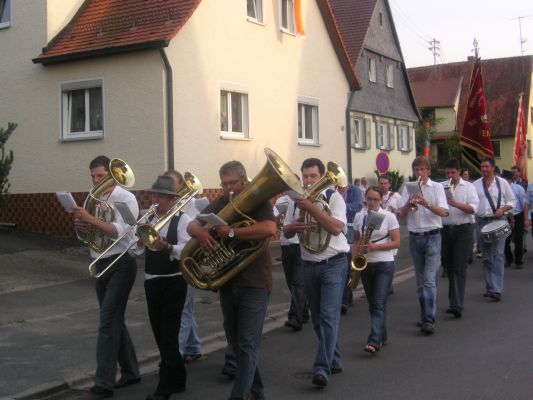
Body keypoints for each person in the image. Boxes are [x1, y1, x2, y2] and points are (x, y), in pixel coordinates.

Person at [187, 161, 276, 400]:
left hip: (255, 281)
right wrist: (202, 232)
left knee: (247, 344)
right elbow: (192, 224)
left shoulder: (259, 200)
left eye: (232, 183)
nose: (229, 188)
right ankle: (256, 391)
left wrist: (234, 232)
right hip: (228, 281)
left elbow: (269, 229)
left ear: (244, 180)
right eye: (224, 184)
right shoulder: (222, 201)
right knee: (236, 343)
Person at [73, 155, 140, 398]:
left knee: (108, 322)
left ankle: (103, 383)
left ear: (112, 176)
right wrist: (82, 228)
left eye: (100, 176)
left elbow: (126, 231)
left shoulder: (125, 198)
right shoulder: (92, 199)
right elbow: (87, 237)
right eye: (92, 176)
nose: (95, 180)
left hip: (121, 262)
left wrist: (91, 220)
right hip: (99, 260)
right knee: (114, 321)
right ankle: (132, 372)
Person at [283, 158, 349, 388]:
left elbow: (336, 228)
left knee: (329, 318)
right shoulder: (296, 201)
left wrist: (311, 208)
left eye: (313, 176)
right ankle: (335, 359)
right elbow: (287, 233)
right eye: (305, 176)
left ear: (322, 177)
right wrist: (293, 226)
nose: (308, 180)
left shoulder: (333, 197)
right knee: (319, 320)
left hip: (333, 263)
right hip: (309, 263)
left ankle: (321, 368)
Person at [142, 176, 192, 400]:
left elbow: (186, 249)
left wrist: (168, 247)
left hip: (174, 280)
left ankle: (164, 387)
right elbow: (136, 250)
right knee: (158, 332)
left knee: (168, 335)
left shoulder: (183, 219)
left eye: (161, 196)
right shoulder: (148, 217)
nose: (156, 200)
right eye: (154, 195)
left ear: (172, 199)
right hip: (151, 279)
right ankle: (179, 379)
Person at [399, 156, 449, 334]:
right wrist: (408, 202)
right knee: (422, 283)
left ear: (428, 170)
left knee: (428, 281)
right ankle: (426, 314)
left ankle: (429, 320)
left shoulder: (436, 188)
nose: (419, 173)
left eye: (422, 169)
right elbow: (402, 216)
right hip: (415, 237)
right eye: (416, 170)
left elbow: (444, 212)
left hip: (433, 236)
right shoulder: (408, 188)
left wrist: (426, 203)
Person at [352, 186, 400, 353]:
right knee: (373, 303)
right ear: (365, 198)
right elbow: (357, 240)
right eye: (369, 199)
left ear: (381, 200)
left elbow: (396, 242)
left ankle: (373, 341)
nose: (372, 202)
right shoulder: (359, 216)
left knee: (379, 302)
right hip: (366, 264)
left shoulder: (389, 216)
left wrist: (375, 247)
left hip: (384, 263)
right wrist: (353, 262)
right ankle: (382, 334)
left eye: (375, 199)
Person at [163, 170, 202, 363]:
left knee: (181, 311)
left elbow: (195, 234)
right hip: (170, 267)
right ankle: (193, 347)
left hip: (188, 263)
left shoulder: (190, 206)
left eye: (171, 183)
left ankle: (174, 358)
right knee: (185, 309)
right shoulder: (162, 205)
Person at [440, 159, 479, 318]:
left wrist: (455, 204)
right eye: (448, 173)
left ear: (459, 172)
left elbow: (473, 209)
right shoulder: (441, 186)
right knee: (449, 266)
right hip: (444, 230)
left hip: (463, 229)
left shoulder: (469, 187)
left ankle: (457, 304)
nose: (450, 175)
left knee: (459, 266)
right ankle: (453, 300)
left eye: (453, 173)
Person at [473, 157, 515, 301]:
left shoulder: (502, 183)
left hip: (499, 220)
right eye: (482, 166)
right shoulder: (475, 184)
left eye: (486, 166)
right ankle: (490, 286)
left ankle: (496, 289)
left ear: (493, 168)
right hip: (482, 222)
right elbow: (472, 204)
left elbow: (512, 201)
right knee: (486, 256)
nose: (484, 169)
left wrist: (503, 209)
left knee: (497, 255)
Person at [274, 194, 309, 331]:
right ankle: (304, 312)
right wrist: (281, 213)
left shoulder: (304, 199)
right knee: (291, 283)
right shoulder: (280, 200)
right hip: (286, 245)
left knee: (298, 282)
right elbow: (275, 223)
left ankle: (295, 317)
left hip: (300, 244)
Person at [337, 181, 363, 315]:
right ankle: (345, 298)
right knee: (342, 266)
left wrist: (339, 206)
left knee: (347, 265)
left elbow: (357, 206)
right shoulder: (333, 191)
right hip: (337, 231)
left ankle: (345, 299)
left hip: (350, 229)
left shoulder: (354, 190)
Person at [502, 170, 527, 269]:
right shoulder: (501, 189)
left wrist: (526, 218)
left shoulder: (519, 188)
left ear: (509, 179)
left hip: (518, 215)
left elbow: (524, 204)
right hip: (506, 216)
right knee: (505, 240)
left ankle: (518, 261)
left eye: (504, 179)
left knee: (518, 240)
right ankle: (508, 259)